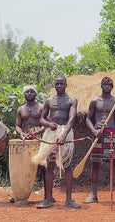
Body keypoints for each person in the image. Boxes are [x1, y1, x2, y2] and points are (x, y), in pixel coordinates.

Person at [37, 75, 81, 209]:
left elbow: (72, 119)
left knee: (67, 165)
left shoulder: (72, 100)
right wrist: (49, 124)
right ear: (54, 85)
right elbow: (41, 119)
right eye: (57, 84)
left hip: (66, 132)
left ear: (66, 84)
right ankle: (48, 199)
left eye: (62, 83)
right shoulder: (49, 101)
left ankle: (69, 200)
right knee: (49, 165)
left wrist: (64, 135)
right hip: (51, 133)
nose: (59, 86)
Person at [83, 77, 115, 204]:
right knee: (95, 164)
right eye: (105, 84)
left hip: (111, 134)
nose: (107, 86)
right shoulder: (95, 101)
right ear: (101, 86)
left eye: (109, 84)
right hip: (98, 134)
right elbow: (87, 119)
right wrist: (94, 131)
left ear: (112, 87)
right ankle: (94, 195)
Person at [12, 85, 48, 203]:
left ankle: (48, 196)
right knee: (24, 166)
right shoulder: (20, 109)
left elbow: (45, 123)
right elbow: (18, 125)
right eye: (27, 91)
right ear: (24, 94)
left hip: (41, 136)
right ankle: (20, 193)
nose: (29, 93)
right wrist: (22, 133)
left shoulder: (41, 107)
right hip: (26, 137)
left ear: (36, 94)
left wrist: (37, 132)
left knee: (43, 166)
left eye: (32, 91)